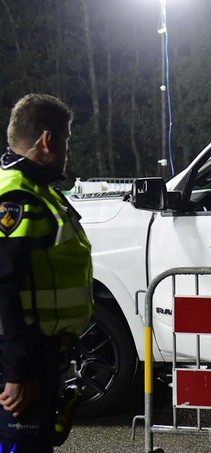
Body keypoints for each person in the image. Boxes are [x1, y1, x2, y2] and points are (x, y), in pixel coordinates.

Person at [0, 94, 94, 452]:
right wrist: (17, 372)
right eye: (66, 140)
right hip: (24, 358)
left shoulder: (36, 190)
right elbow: (3, 288)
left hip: (39, 354)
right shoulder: (17, 198)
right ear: (47, 140)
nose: (66, 150)